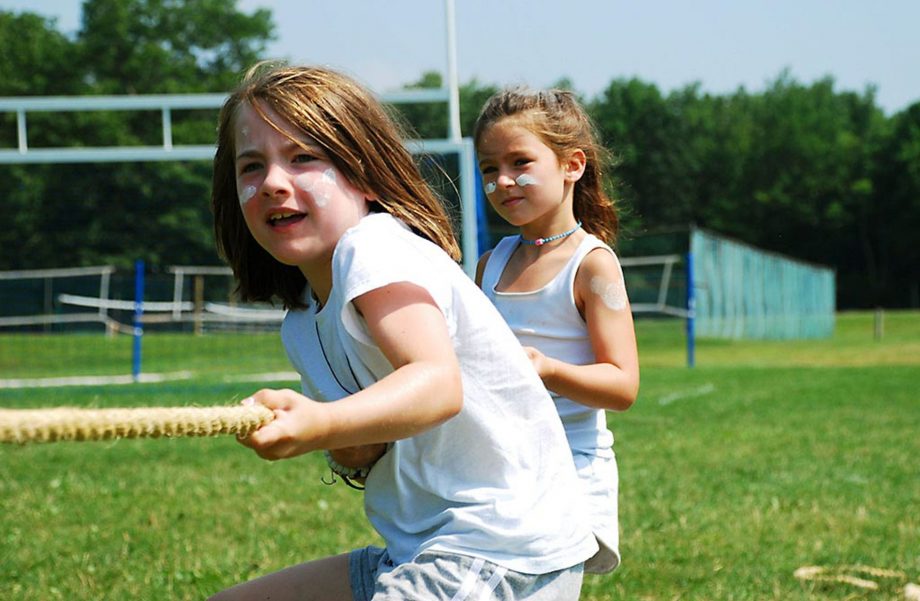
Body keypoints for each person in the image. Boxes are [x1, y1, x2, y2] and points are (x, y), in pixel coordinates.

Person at [208, 63, 598, 601]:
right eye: (251, 166)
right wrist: (344, 445)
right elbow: (368, 445)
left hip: (498, 549)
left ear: (363, 174)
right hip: (420, 551)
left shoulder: (372, 247)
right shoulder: (302, 322)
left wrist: (321, 422)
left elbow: (438, 385)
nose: (273, 182)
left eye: (303, 158)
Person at [473, 87, 640, 575]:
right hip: (499, 470)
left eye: (520, 162)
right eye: (489, 168)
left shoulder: (593, 267)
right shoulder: (490, 264)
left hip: (568, 474)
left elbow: (623, 385)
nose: (503, 181)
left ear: (572, 165)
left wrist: (544, 370)